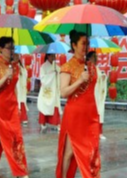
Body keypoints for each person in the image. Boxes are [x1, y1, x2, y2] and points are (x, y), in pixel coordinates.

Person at [56, 30, 100, 178]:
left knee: (92, 152)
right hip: (74, 116)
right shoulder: (67, 67)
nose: (86, 47)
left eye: (88, 44)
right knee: (69, 153)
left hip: (91, 115)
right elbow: (63, 92)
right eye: (83, 43)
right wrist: (80, 80)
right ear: (74, 45)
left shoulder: (91, 67)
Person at [0, 37, 28, 178]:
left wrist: (18, 103)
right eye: (8, 48)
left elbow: (13, 87)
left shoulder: (14, 66)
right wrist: (5, 77)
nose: (11, 51)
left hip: (12, 106)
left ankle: (20, 169)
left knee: (17, 137)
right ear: (1, 48)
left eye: (13, 48)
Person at [37, 53, 61, 132]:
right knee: (44, 106)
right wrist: (52, 75)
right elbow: (43, 79)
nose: (53, 57)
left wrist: (57, 73)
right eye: (52, 55)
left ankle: (57, 123)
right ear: (48, 56)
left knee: (55, 105)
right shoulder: (43, 67)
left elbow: (60, 74)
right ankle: (43, 123)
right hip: (46, 91)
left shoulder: (56, 66)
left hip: (54, 89)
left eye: (54, 55)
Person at [87, 51, 108, 141]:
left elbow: (98, 78)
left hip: (97, 94)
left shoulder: (96, 68)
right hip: (91, 94)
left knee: (99, 112)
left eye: (96, 57)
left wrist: (103, 77)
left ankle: (99, 132)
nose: (96, 59)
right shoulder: (87, 68)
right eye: (94, 57)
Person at [15, 54, 29, 126]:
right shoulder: (12, 65)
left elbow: (26, 74)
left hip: (21, 86)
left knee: (22, 100)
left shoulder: (21, 66)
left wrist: (22, 72)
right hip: (15, 86)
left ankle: (23, 118)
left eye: (17, 56)